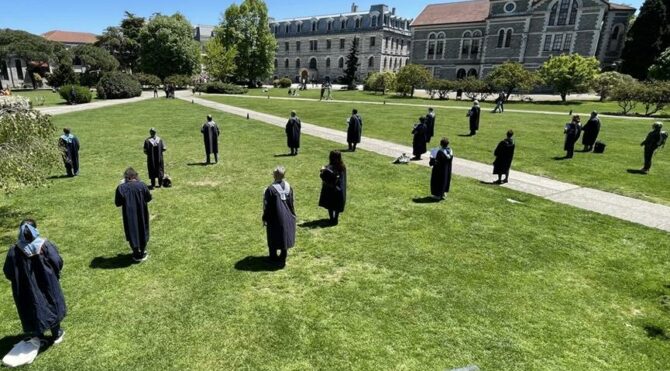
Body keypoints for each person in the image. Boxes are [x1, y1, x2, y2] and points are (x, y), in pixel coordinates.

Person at [3, 219, 66, 345]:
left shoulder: (14, 250)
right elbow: (57, 261)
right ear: (35, 229)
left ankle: (38, 336)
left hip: (26, 287)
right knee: (51, 302)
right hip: (48, 283)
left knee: (33, 306)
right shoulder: (45, 245)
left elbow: (8, 271)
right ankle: (56, 333)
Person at [115, 167, 152, 262]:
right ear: (136, 176)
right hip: (142, 212)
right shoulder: (142, 185)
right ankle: (142, 252)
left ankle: (136, 253)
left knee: (132, 230)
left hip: (129, 214)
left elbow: (118, 203)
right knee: (142, 228)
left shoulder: (121, 188)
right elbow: (148, 198)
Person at [262, 166, 296, 265]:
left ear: (275, 176)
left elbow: (267, 205)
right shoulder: (289, 187)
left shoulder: (270, 189)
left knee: (273, 236)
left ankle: (273, 256)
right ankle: (283, 254)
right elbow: (292, 202)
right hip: (288, 215)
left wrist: (265, 217)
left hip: (275, 217)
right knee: (284, 235)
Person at [319, 151, 347, 225]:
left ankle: (332, 218)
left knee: (330, 204)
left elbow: (325, 176)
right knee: (336, 204)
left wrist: (323, 170)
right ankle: (335, 219)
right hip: (338, 189)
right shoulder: (342, 166)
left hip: (331, 188)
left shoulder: (333, 166)